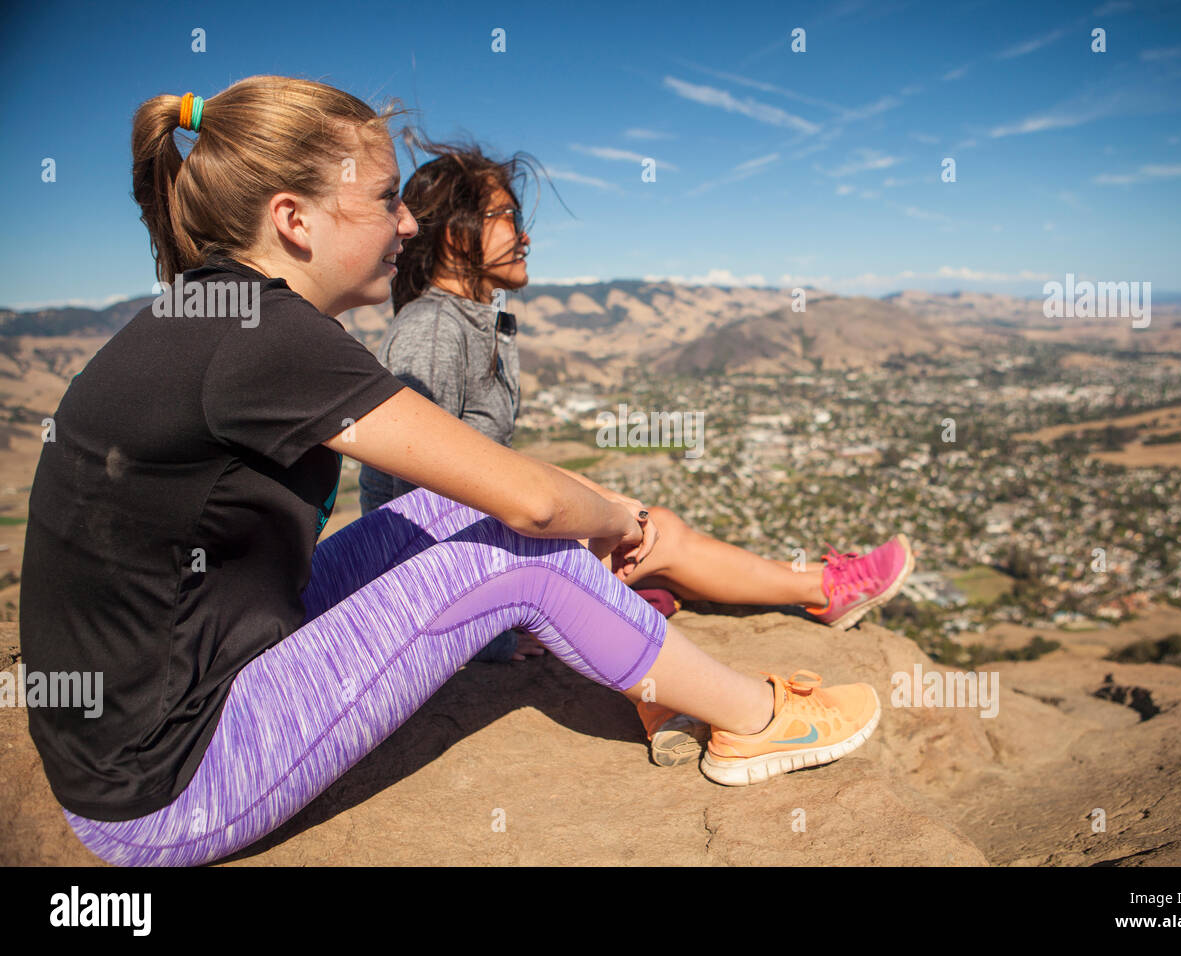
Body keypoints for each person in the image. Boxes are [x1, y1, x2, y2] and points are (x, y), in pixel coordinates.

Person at [18, 76, 884, 867]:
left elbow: (487, 488)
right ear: (295, 219)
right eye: (387, 200)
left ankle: (658, 675)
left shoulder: (218, 314)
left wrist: (590, 510)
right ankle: (760, 724)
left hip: (172, 702)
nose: (407, 225)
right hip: (167, 783)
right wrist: (621, 524)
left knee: (447, 515)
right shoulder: (265, 338)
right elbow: (536, 507)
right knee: (510, 556)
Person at [357, 142, 914, 764]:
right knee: (659, 539)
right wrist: (486, 640)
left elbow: (478, 461)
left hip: (466, 561)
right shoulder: (433, 329)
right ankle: (808, 603)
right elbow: (403, 487)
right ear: (456, 234)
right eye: (507, 216)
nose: (526, 236)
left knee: (642, 539)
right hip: (442, 576)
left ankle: (675, 685)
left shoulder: (467, 321)